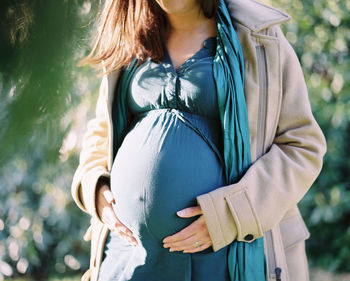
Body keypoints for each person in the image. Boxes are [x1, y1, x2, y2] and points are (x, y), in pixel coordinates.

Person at [70, 0, 327, 280]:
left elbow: (301, 146)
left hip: (223, 259)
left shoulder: (258, 38)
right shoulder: (129, 35)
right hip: (130, 259)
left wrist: (229, 216)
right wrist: (96, 190)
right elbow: (101, 134)